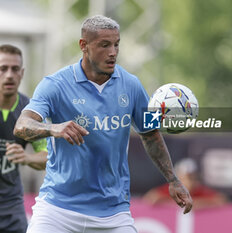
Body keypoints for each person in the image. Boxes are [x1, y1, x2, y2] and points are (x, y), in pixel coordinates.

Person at [14, 15, 192, 233]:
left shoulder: (132, 85)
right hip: (58, 209)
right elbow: (21, 126)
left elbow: (151, 134)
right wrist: (54, 128)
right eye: (104, 45)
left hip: (113, 212)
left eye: (116, 45)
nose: (113, 52)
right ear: (84, 45)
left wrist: (173, 180)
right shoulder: (54, 85)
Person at [0, 44, 47, 233]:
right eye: (3, 68)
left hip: (11, 208)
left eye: (15, 69)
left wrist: (27, 158)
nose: (9, 75)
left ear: (22, 73)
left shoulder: (30, 112)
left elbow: (47, 156)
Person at [144, 158, 228, 210]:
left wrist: (198, 204)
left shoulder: (199, 190)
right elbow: (151, 198)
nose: (189, 181)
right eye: (185, 177)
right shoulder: (172, 189)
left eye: (191, 178)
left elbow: (221, 200)